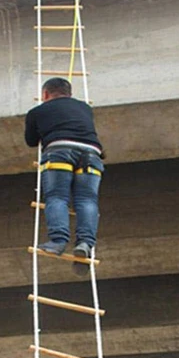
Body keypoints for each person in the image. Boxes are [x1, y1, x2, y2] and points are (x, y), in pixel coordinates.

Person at [24, 77, 104, 275]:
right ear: (69, 93)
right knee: (87, 200)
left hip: (59, 151)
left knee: (57, 197)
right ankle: (85, 243)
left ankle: (58, 241)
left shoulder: (38, 111)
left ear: (45, 94)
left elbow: (31, 141)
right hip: (91, 154)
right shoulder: (85, 108)